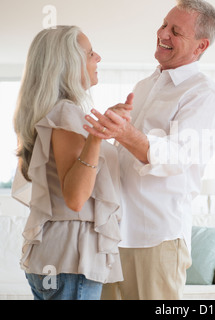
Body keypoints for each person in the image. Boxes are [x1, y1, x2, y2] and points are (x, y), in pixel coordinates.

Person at [85, 0, 215, 300]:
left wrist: (125, 132)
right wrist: (113, 128)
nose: (163, 33)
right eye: (163, 24)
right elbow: (125, 153)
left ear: (200, 46)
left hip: (156, 237)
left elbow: (178, 156)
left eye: (176, 31)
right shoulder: (145, 84)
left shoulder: (202, 92)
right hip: (114, 233)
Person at [12, 25, 129, 300]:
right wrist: (97, 136)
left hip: (55, 258)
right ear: (67, 64)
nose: (98, 57)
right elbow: (76, 198)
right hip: (71, 260)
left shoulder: (54, 112)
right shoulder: (66, 113)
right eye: (89, 53)